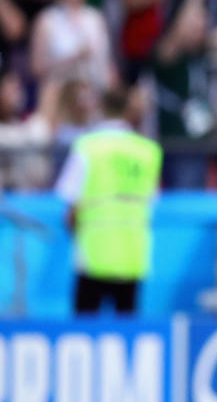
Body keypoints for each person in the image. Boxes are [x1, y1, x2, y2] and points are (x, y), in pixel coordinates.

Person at [54, 87, 162, 315]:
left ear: (101, 109)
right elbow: (152, 199)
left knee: (84, 335)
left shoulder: (87, 147)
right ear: (128, 111)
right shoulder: (148, 152)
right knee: (127, 337)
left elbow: (69, 202)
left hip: (93, 256)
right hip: (132, 257)